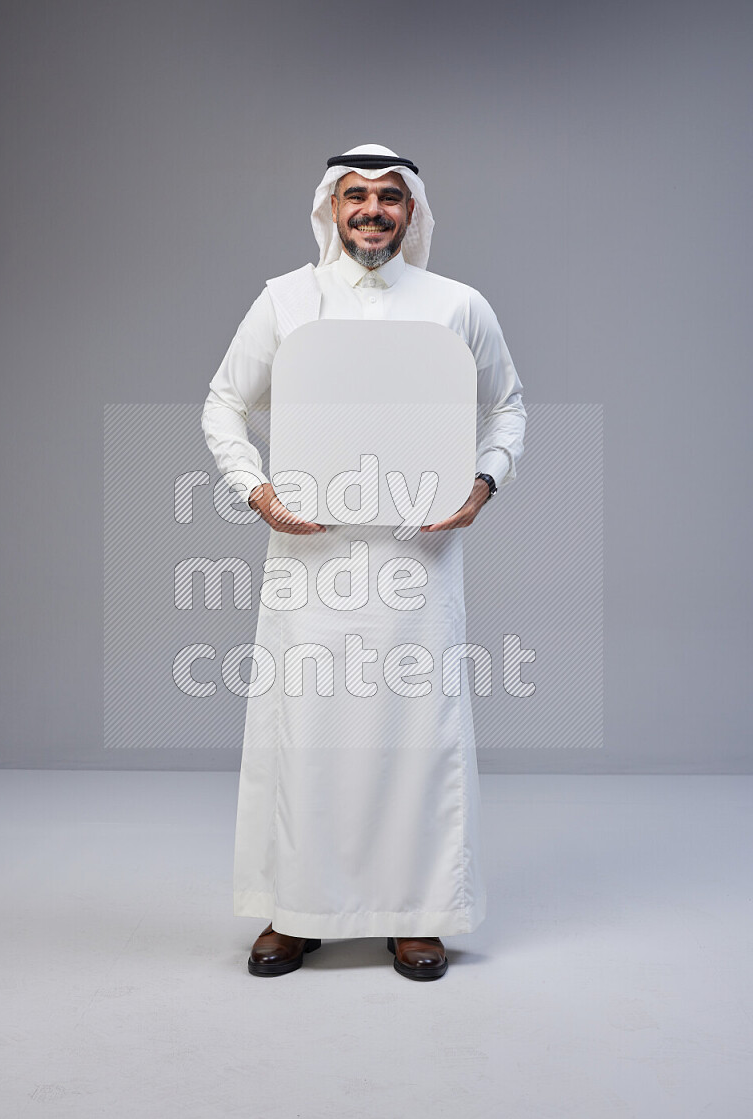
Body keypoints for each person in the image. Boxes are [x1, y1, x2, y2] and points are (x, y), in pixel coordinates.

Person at [201, 144, 526, 980]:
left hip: (418, 562)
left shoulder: (458, 305)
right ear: (330, 208)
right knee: (305, 731)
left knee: (416, 735)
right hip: (310, 562)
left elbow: (508, 406)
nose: (372, 210)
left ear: (412, 210)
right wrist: (258, 492)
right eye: (356, 195)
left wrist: (483, 484)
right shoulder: (286, 300)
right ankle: (297, 910)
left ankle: (418, 914)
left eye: (389, 196)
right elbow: (224, 404)